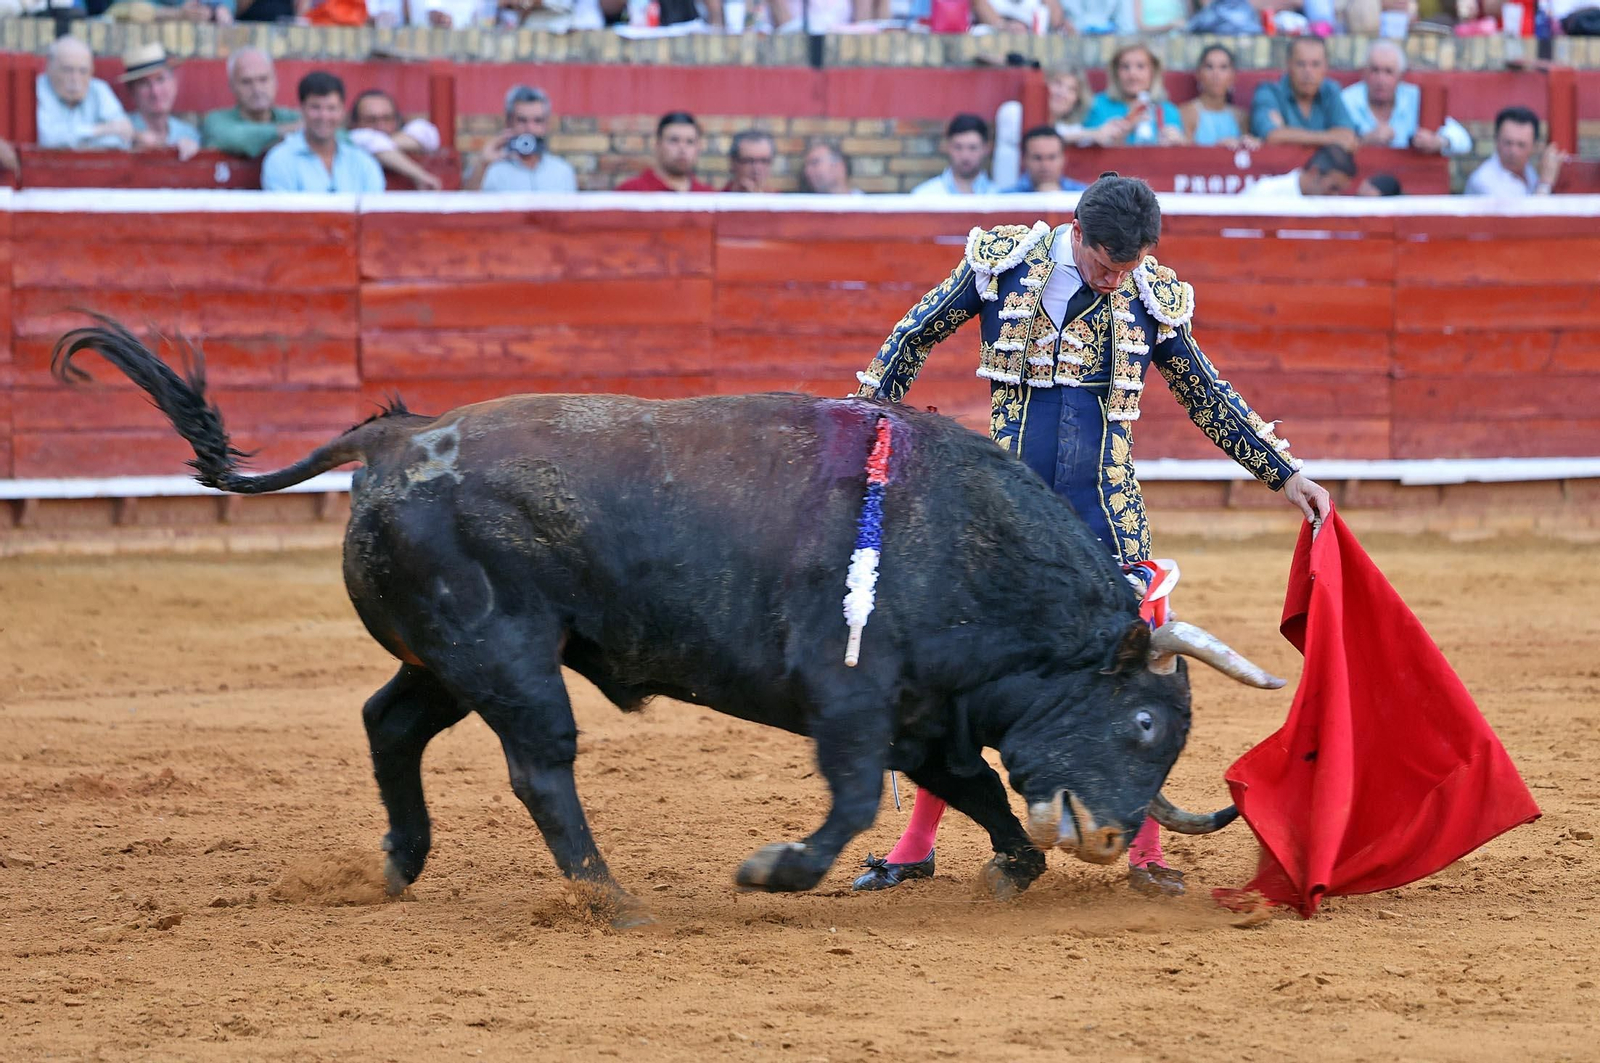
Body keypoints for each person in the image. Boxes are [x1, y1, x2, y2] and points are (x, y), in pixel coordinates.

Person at [850, 175, 1330, 896]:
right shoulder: (1002, 263)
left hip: (1108, 519)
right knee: (962, 673)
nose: (1116, 281)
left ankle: (1146, 851)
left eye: (1128, 269)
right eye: (1107, 265)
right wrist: (870, 422)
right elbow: (911, 335)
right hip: (1009, 522)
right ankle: (917, 843)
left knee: (1136, 676)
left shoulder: (1147, 293)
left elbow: (1206, 393)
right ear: (1076, 230)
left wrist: (1286, 473)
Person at [261, 72, 385, 193]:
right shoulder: (280, 160)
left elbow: (375, 210)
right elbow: (283, 212)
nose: (324, 116)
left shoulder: (363, 162)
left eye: (331, 108)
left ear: (342, 112)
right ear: (302, 109)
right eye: (315, 107)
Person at [1341, 40, 1471, 156]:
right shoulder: (1347, 100)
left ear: (1401, 76)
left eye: (1388, 72)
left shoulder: (1416, 98)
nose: (1381, 80)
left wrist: (1438, 142)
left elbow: (1463, 140)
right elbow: (1332, 146)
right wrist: (1364, 140)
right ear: (1364, 73)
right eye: (1375, 70)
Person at [1250, 37, 1358, 151]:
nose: (1308, 72)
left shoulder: (1330, 90)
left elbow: (1347, 136)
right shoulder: (1268, 92)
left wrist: (1287, 133)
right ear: (1288, 64)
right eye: (1301, 64)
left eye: (1315, 64)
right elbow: (1272, 136)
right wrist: (1331, 138)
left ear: (1325, 66)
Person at [464, 85, 578, 194]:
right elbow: (466, 206)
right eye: (522, 120)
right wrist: (483, 164)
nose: (530, 129)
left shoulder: (562, 172)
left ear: (546, 125)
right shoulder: (491, 170)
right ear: (509, 123)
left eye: (537, 121)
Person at [202, 48, 301, 159]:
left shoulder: (290, 118)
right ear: (232, 86)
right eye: (246, 81)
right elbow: (237, 138)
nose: (257, 89)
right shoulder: (216, 121)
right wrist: (289, 130)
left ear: (276, 81)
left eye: (263, 79)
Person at [36, 37, 132, 151]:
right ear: (49, 68)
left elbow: (124, 136)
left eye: (83, 71)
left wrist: (76, 140)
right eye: (67, 70)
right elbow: (48, 139)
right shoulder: (37, 89)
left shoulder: (98, 89)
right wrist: (98, 130)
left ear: (92, 71)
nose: (75, 79)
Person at [1083, 43, 1186, 147]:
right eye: (1125, 67)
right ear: (1115, 72)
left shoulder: (1168, 110)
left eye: (1140, 66)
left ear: (1153, 72)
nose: (1132, 73)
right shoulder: (1096, 105)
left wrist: (1179, 144)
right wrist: (1127, 125)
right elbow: (1089, 152)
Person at [120, 43, 201, 162]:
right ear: (132, 91)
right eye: (144, 83)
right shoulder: (120, 132)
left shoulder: (188, 133)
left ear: (174, 84)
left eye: (160, 79)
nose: (155, 92)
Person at [1463, 106, 1566, 198]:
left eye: (1521, 145)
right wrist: (1544, 184)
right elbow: (1527, 218)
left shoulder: (1528, 170)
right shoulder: (1484, 181)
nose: (1513, 151)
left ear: (1534, 146)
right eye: (1508, 143)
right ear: (1496, 140)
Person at [1179, 45, 1259, 150]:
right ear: (1198, 74)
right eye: (1209, 67)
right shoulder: (1186, 113)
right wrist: (1217, 149)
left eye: (1223, 67)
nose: (1216, 74)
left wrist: (1253, 143)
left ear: (1233, 76)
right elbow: (1183, 155)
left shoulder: (1242, 117)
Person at [616, 112, 714, 192]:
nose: (682, 149)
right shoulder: (631, 191)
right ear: (657, 145)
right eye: (674, 140)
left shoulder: (707, 196)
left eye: (690, 142)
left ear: (698, 147)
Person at [910, 114, 998, 196]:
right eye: (958, 147)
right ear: (947, 147)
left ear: (986, 149)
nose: (965, 155)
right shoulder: (924, 195)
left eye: (972, 148)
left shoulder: (999, 197)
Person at [1241, 145, 1357, 198]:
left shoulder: (1334, 209)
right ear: (1314, 172)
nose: (1335, 197)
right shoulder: (1266, 192)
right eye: (1333, 188)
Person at [1003, 127, 1087, 193]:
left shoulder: (1083, 195)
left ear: (1063, 159)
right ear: (1024, 160)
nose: (1045, 165)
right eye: (1037, 158)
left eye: (1052, 157)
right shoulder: (1004, 199)